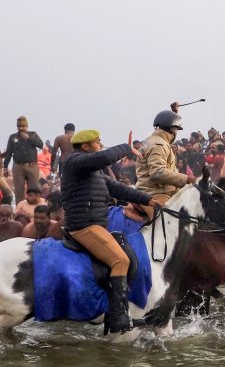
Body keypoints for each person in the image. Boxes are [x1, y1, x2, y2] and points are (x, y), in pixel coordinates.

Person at [63, 128, 157, 334]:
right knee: (120, 261)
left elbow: (116, 188)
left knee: (127, 257)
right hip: (84, 227)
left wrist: (147, 199)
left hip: (96, 225)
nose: (101, 144)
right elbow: (104, 157)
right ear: (86, 146)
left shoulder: (92, 171)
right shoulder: (75, 162)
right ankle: (118, 317)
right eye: (98, 141)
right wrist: (126, 148)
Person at [135, 109, 195, 212]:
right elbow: (157, 173)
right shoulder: (159, 144)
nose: (176, 133)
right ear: (172, 129)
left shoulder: (156, 141)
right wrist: (187, 179)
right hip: (155, 193)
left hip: (163, 191)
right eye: (176, 129)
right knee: (167, 222)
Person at [2, 116, 45, 203]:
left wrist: (28, 138)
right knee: (19, 191)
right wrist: (5, 167)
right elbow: (9, 153)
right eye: (19, 126)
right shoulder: (13, 137)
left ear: (27, 127)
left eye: (23, 126)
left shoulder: (33, 134)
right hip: (18, 167)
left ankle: (33, 208)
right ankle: (20, 210)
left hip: (32, 166)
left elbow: (40, 145)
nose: (21, 128)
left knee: (34, 190)